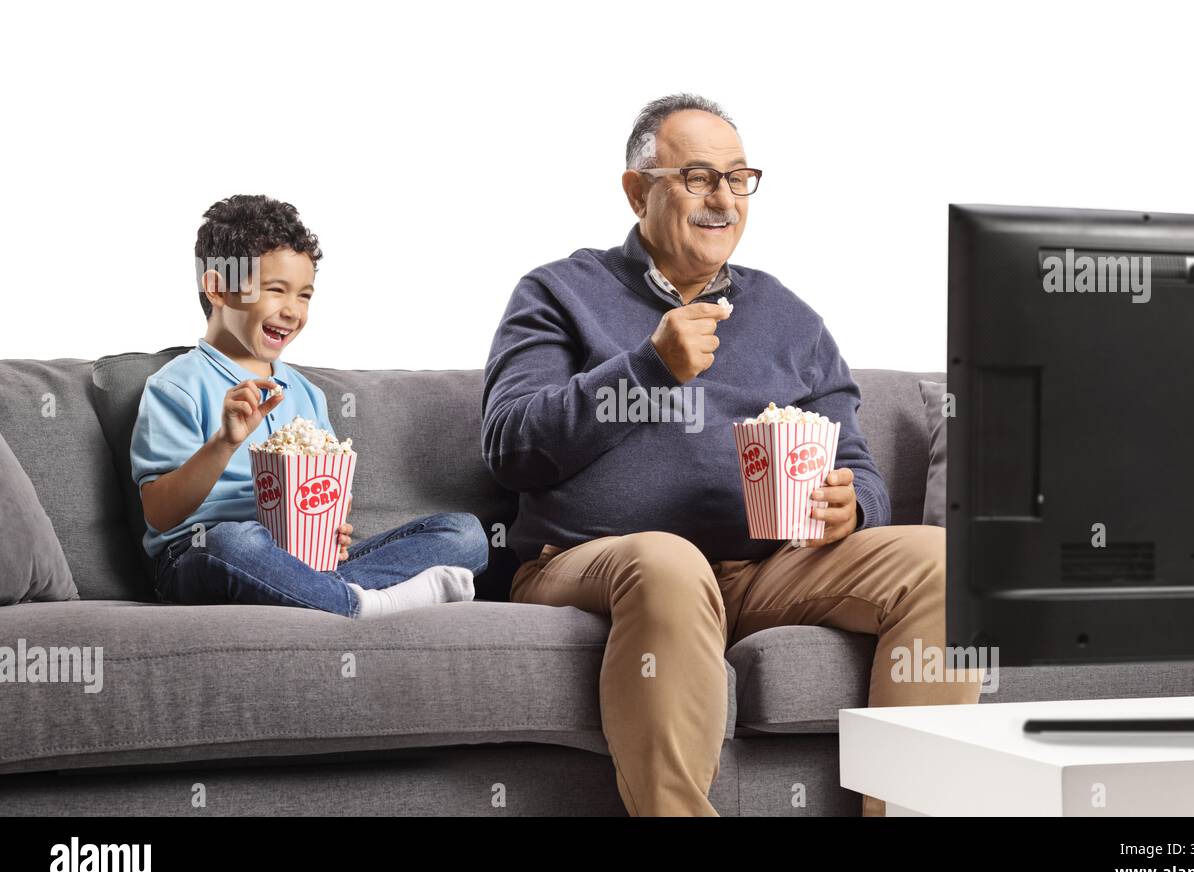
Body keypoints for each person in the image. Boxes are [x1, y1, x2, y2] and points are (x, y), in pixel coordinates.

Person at [483, 95, 981, 816]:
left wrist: (854, 504)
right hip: (589, 562)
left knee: (944, 564)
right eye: (697, 177)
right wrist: (647, 366)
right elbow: (510, 446)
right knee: (667, 560)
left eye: (738, 178)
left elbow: (857, 463)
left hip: (759, 573)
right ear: (637, 189)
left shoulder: (788, 318)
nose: (723, 199)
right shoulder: (560, 292)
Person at [132, 194, 488, 619]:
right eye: (276, 290)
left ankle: (321, 593)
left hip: (300, 558)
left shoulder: (305, 394)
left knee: (465, 533)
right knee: (235, 541)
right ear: (218, 288)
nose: (292, 311)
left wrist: (329, 528)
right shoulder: (176, 386)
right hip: (201, 554)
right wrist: (225, 443)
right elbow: (160, 512)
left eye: (304, 295)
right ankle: (367, 602)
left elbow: (324, 490)